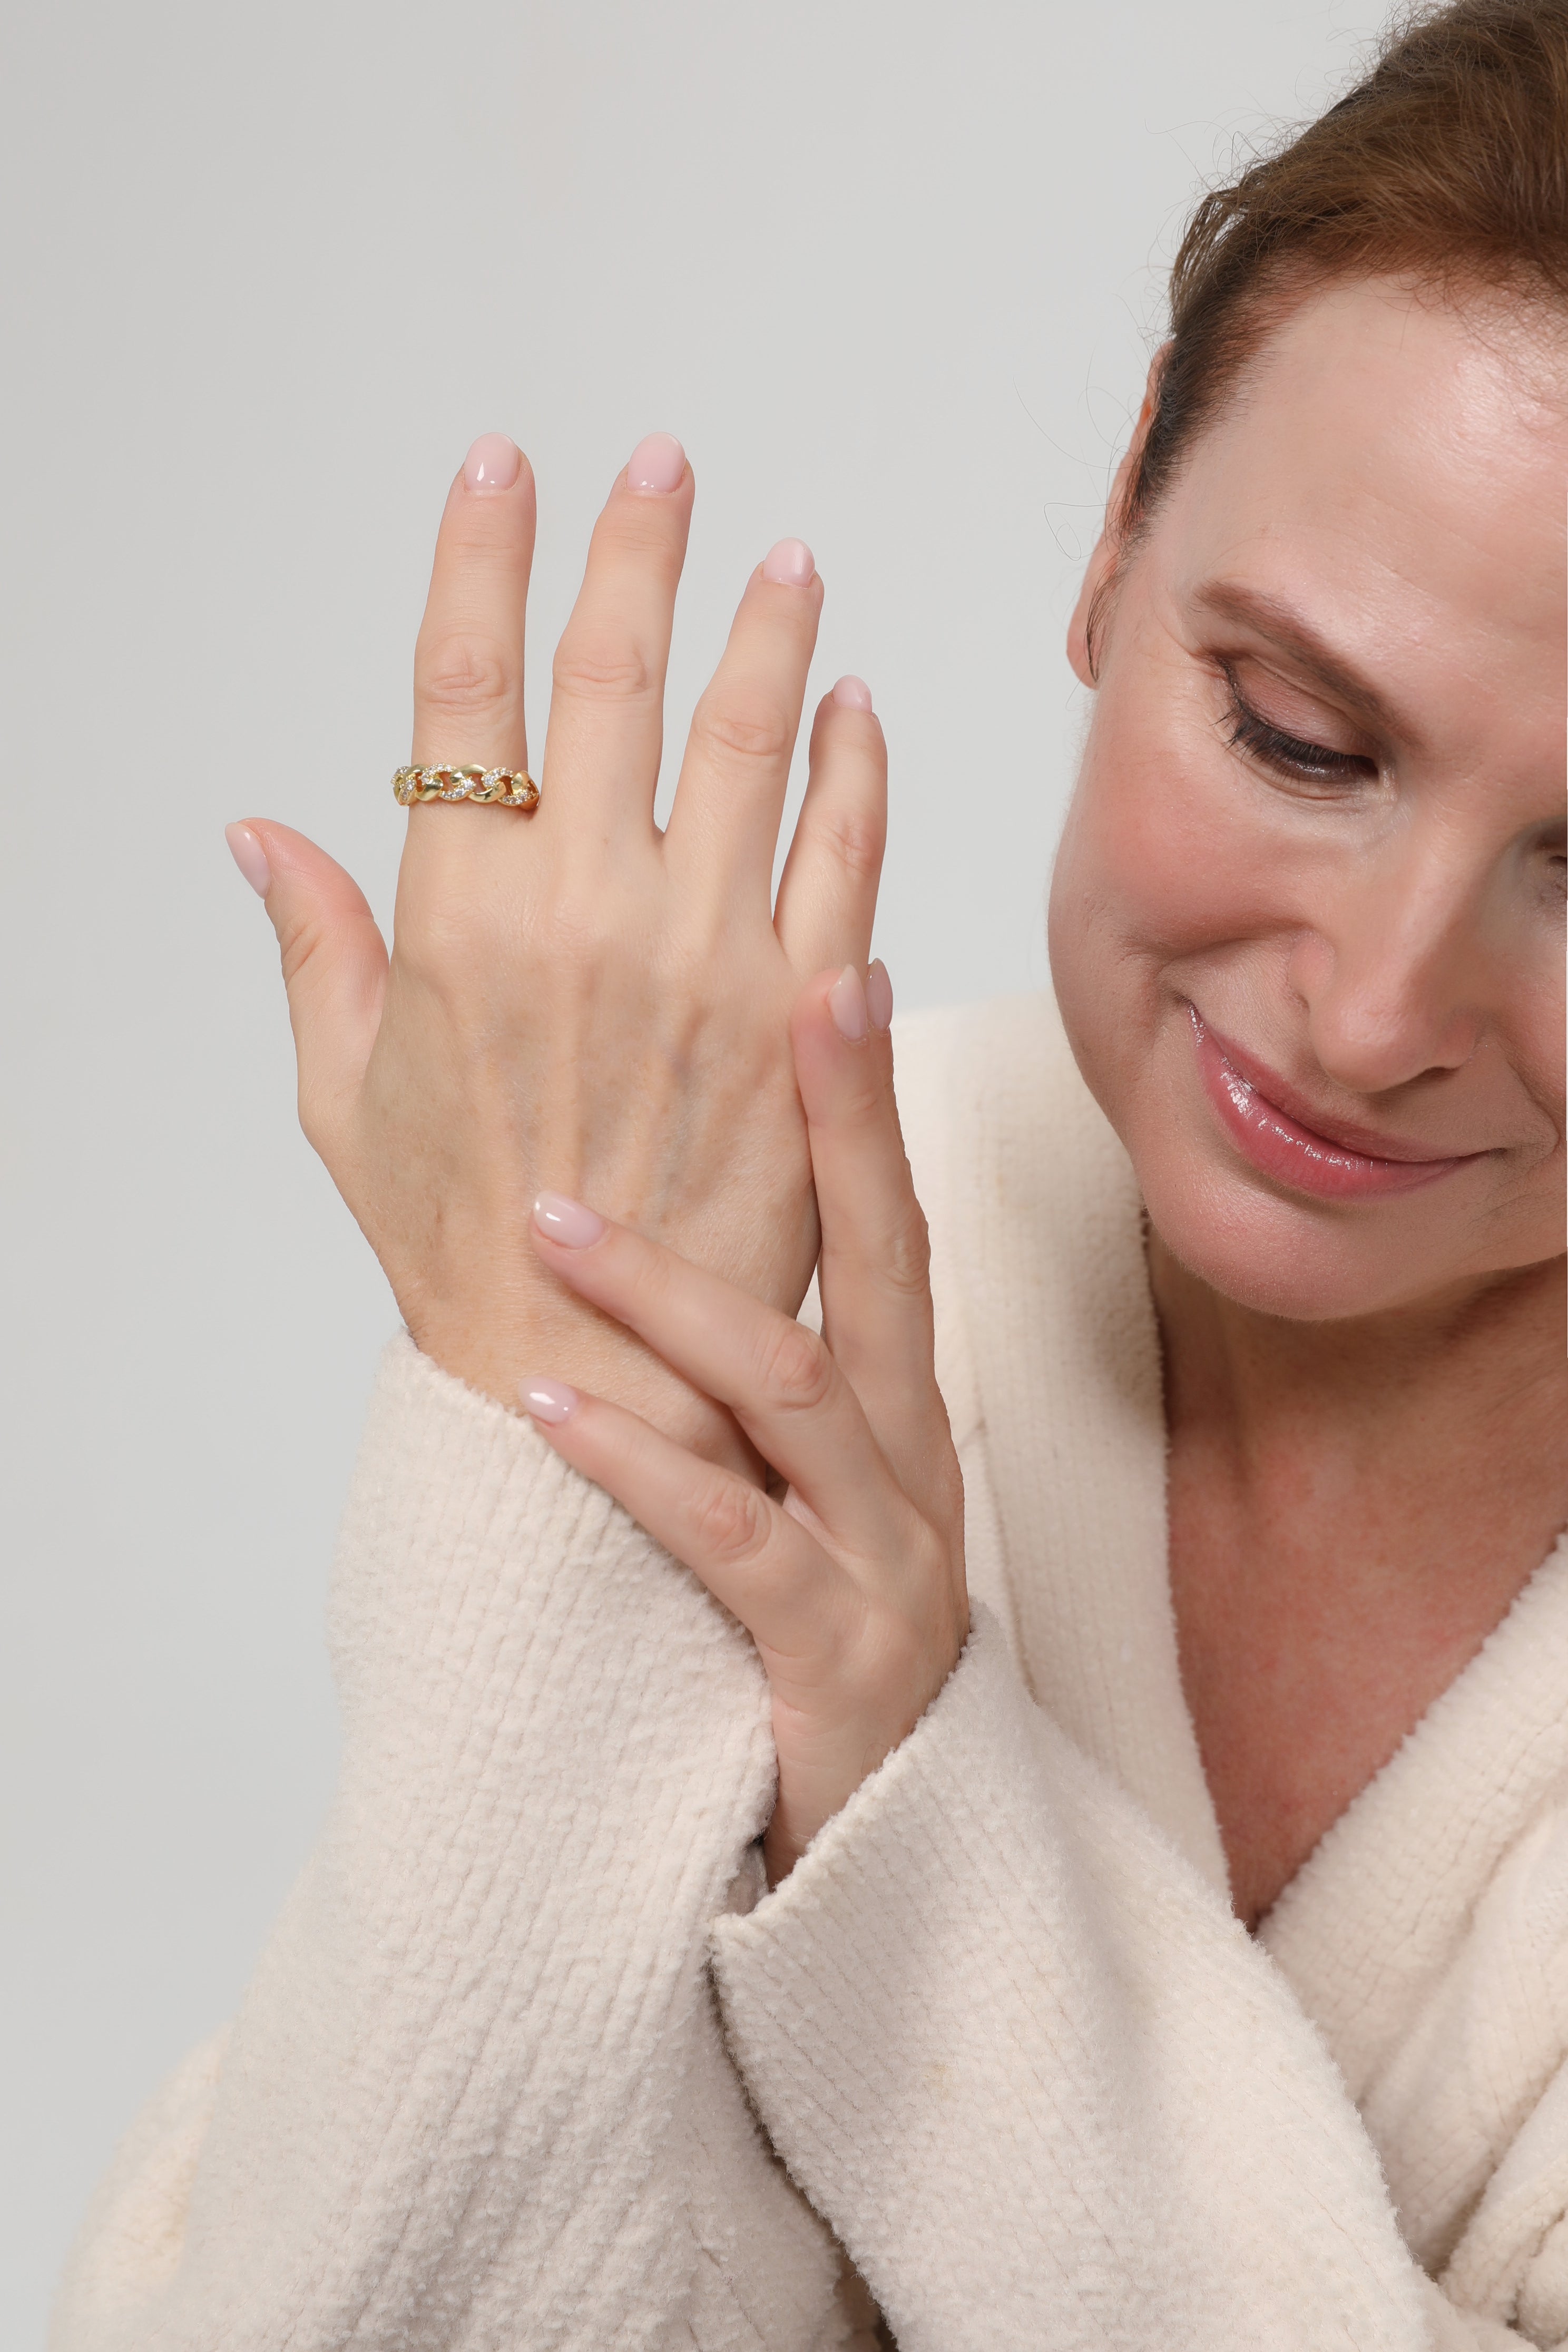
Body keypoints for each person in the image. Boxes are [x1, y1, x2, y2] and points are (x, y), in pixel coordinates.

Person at [50, 1, 1566, 2344]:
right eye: (1298, 735)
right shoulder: (734, 1264)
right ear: (1117, 524)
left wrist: (910, 1799)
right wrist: (547, 1444)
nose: (1373, 1016)